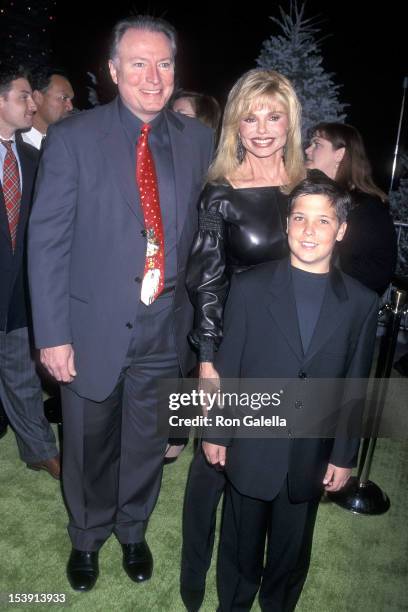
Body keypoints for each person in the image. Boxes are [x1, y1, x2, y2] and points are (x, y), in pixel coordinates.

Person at [28, 16, 213, 592]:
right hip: (89, 328)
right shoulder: (73, 137)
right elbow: (48, 241)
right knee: (85, 444)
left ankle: (133, 528)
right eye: (138, 63)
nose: (153, 77)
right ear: (113, 71)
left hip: (165, 326)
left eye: (164, 63)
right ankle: (86, 535)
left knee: (146, 444)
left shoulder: (197, 141)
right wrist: (52, 335)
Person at [206, 173, 378, 611]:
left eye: (322, 221)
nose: (308, 230)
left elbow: (354, 386)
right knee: (240, 542)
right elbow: (230, 368)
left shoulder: (360, 302)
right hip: (251, 444)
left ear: (340, 230)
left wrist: (343, 455)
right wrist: (216, 432)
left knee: (292, 546)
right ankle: (235, 602)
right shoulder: (249, 287)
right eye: (299, 218)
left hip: (311, 453)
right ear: (286, 225)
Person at [180, 68, 305, 611]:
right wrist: (208, 362)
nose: (261, 128)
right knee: (211, 470)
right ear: (234, 123)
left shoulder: (308, 190)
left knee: (270, 472)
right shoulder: (221, 192)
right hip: (232, 351)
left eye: (273, 116)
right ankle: (193, 576)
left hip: (291, 355)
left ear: (289, 123)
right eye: (249, 116)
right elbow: (206, 281)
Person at [0, 64, 60, 478]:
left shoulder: (34, 158)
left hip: (17, 294)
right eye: (23, 95)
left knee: (22, 376)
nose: (32, 103)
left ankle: (40, 450)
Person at [165, 88, 222, 463]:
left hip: (198, 283)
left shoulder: (214, 177)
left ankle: (176, 433)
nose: (174, 123)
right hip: (162, 280)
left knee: (186, 360)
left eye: (184, 116)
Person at [305, 122, 397, 296]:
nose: (308, 150)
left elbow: (374, 272)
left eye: (317, 144)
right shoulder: (333, 197)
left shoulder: (364, 208)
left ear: (339, 154)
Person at [22, 68, 74, 149]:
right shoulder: (12, 149)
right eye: (64, 98)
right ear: (37, 97)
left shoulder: (71, 141)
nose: (70, 107)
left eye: (71, 100)